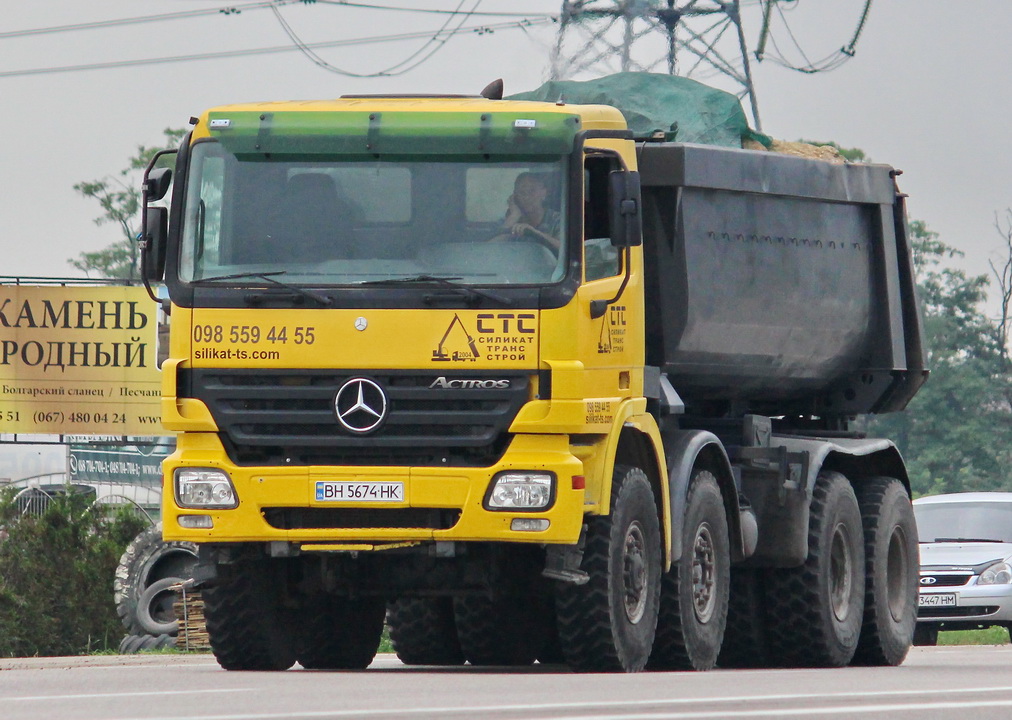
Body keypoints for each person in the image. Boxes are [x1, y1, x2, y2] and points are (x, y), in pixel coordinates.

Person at [494, 172, 561, 252]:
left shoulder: (557, 220)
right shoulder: (507, 221)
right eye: (522, 192)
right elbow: (489, 250)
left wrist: (534, 233)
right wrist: (514, 216)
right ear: (515, 196)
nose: (526, 197)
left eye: (532, 191)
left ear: (544, 193)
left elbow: (566, 249)